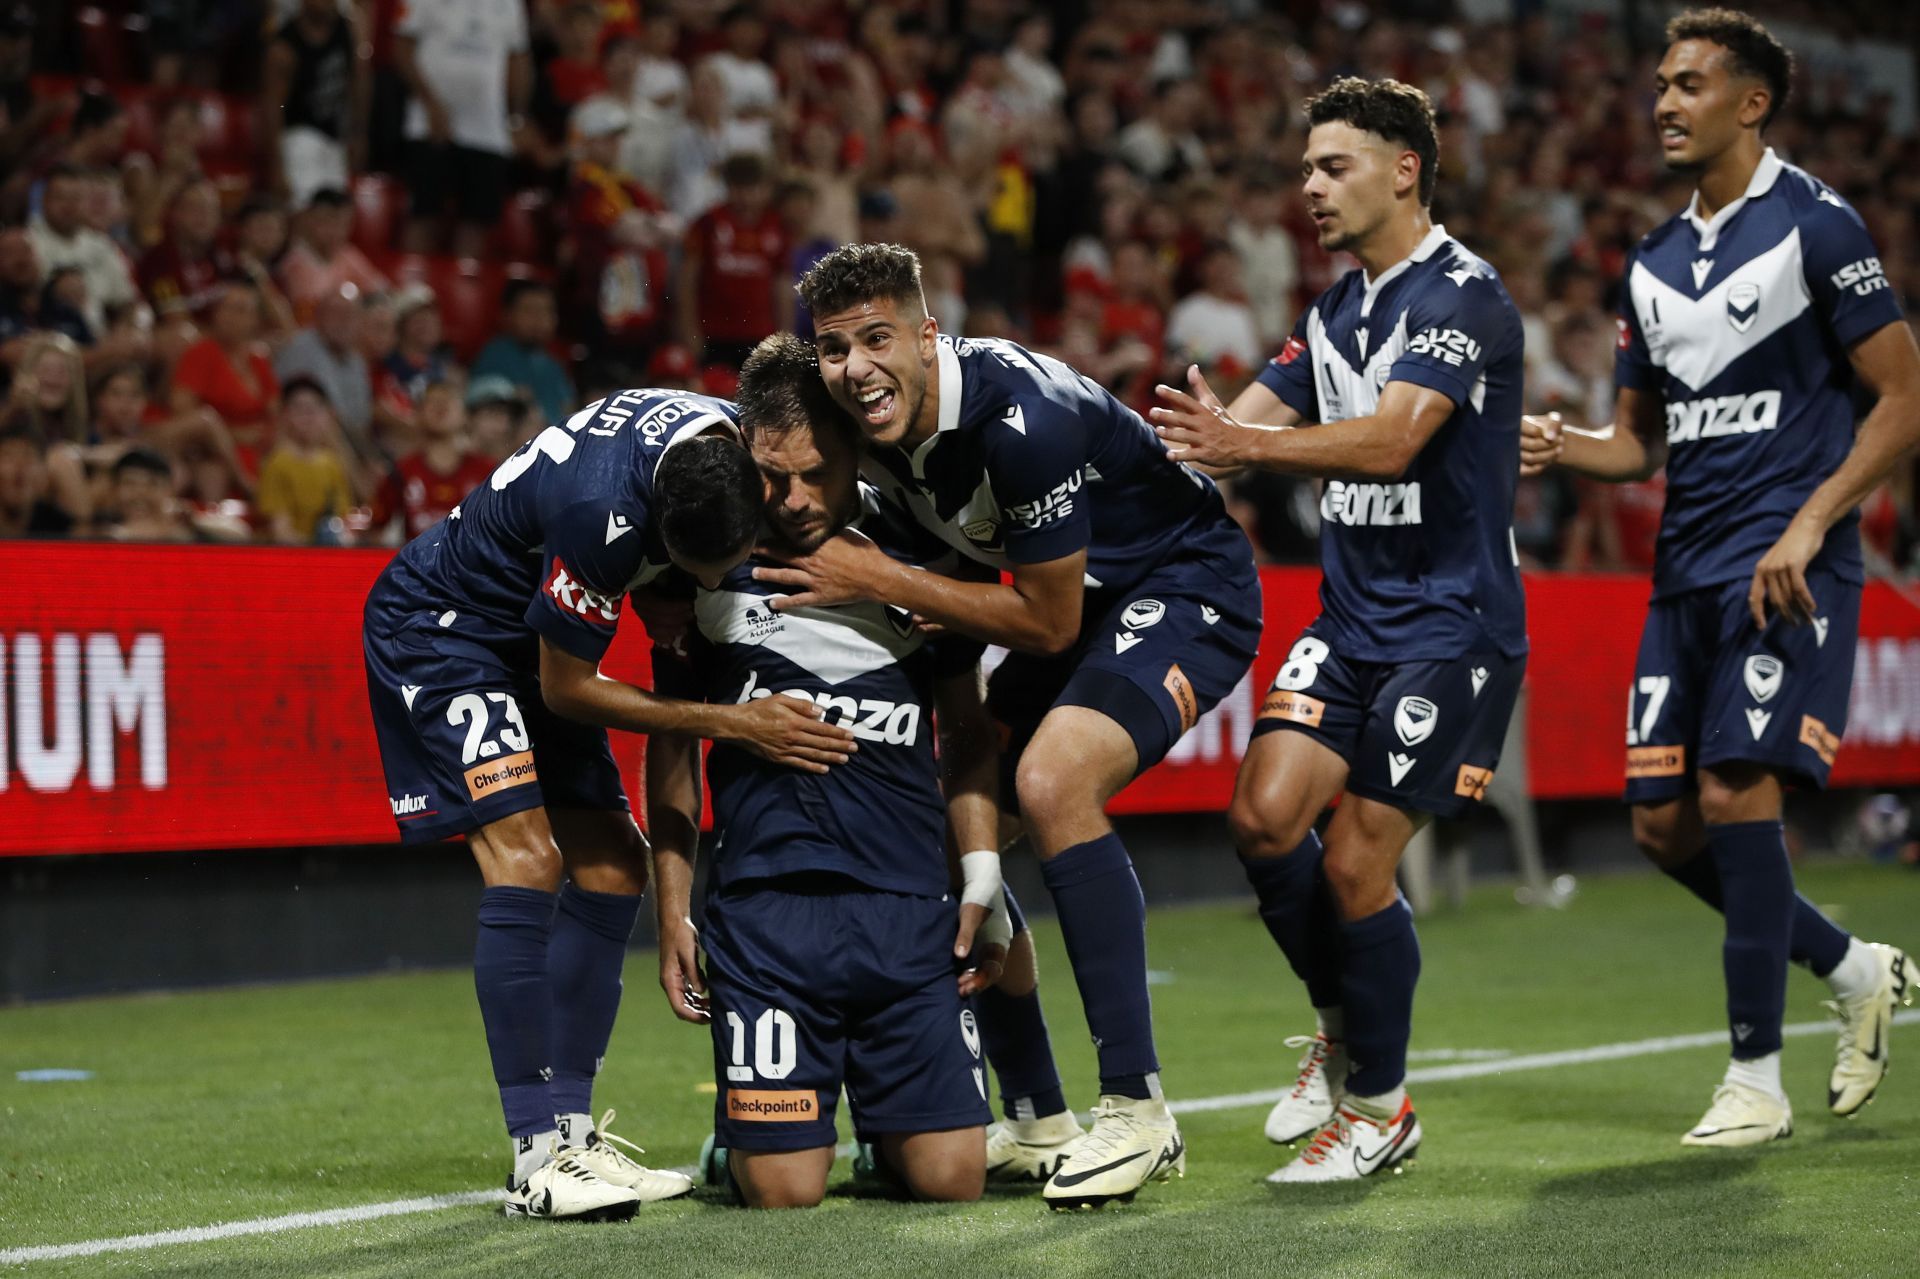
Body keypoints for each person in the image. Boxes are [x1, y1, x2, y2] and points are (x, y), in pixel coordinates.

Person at [767, 242, 1263, 1208]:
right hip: (1076, 604)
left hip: (1184, 587)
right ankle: (1039, 1119)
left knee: (1052, 780)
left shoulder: (1019, 419)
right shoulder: (868, 431)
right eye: (833, 349)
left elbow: (1047, 621)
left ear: (926, 334)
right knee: (959, 830)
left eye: (877, 339)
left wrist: (876, 576)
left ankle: (1138, 1107)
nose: (856, 368)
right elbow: (951, 601)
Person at [1518, 8, 1919, 1147]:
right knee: (1659, 826)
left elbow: (1904, 398)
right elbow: (1641, 441)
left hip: (1787, 569)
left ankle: (1755, 1077)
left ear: (1752, 102)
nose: (1663, 102)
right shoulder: (1649, 261)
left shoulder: (1818, 227)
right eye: (1659, 84)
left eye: (1690, 84)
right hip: (1682, 578)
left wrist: (1810, 524)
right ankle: (1849, 967)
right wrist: (1569, 447)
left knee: (1737, 793)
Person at [1151, 77, 1528, 1182]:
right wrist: (1124, 460)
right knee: (1265, 819)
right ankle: (1340, 1022)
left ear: (1403, 168)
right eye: (1306, 168)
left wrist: (1243, 449)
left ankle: (1380, 1108)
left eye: (1332, 166)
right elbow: (1225, 432)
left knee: (1361, 858)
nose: (1308, 187)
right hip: (1353, 619)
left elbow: (1391, 442)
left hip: (1451, 629)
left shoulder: (1464, 297)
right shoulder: (1333, 312)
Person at [361, 384, 859, 1220]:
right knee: (528, 857)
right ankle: (533, 1159)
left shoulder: (731, 456)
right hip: (446, 630)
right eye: (696, 571)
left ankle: (575, 1135)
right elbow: (568, 689)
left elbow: (655, 681)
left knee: (613, 865)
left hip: (527, 633)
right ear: (659, 528)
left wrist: (677, 908)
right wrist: (736, 723)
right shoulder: (605, 513)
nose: (709, 584)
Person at [648, 335, 1002, 1209]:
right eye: (773, 476)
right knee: (782, 1192)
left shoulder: (924, 557)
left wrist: (989, 884)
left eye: (817, 471)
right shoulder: (705, 564)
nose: (795, 500)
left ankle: (886, 1134)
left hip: (905, 909)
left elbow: (965, 734)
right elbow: (671, 746)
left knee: (954, 1179)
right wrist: (671, 912)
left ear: (857, 448)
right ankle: (746, 1138)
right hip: (768, 919)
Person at [393, 0, 530, 256]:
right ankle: (412, 290)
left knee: (477, 220)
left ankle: (463, 293)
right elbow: (402, 48)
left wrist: (516, 116)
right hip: (429, 124)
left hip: (487, 128)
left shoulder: (512, 4)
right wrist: (430, 104)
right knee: (424, 213)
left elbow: (518, 56)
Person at [677, 152, 786, 371]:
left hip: (761, 335)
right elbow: (686, 282)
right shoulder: (707, 223)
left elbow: (782, 286)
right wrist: (690, 332)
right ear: (728, 187)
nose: (747, 196)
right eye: (740, 187)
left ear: (767, 189)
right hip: (714, 334)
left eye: (754, 187)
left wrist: (784, 336)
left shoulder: (776, 225)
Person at [172, 280, 281, 480]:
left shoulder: (259, 359)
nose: (230, 316)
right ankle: (247, 487)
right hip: (216, 449)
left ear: (254, 319)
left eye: (240, 310)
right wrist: (234, 433)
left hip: (260, 446)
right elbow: (182, 411)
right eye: (225, 308)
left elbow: (275, 411)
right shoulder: (201, 353)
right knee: (212, 470)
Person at [263, 0, 364, 207]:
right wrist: (277, 164)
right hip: (299, 137)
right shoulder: (284, 46)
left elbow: (359, 81)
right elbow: (274, 107)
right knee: (305, 210)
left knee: (337, 213)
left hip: (335, 138)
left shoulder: (348, 29)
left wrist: (358, 132)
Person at [369, 379, 495, 542]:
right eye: (432, 401)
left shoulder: (487, 472)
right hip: (417, 565)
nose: (440, 406)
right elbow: (375, 529)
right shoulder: (401, 471)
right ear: (419, 414)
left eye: (449, 400)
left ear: (465, 415)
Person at [256, 376, 353, 545]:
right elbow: (281, 533)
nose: (308, 417)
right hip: (294, 559)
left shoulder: (332, 463)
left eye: (314, 409)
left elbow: (342, 522)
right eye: (299, 409)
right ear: (285, 415)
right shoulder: (277, 464)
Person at [472, 279, 575, 428]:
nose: (540, 319)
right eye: (530, 310)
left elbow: (569, 410)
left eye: (547, 310)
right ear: (507, 315)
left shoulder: (554, 365)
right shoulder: (495, 355)